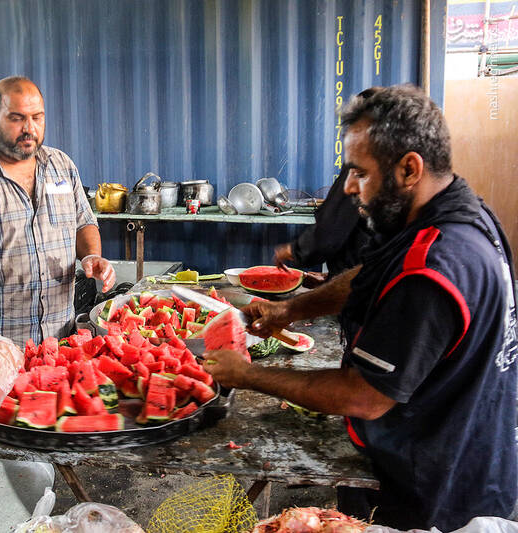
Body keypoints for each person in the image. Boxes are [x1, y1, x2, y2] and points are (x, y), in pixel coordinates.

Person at [204, 85, 517, 531]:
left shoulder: (436, 267)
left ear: (410, 168)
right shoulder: (460, 215)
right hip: (456, 449)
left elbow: (362, 396)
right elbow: (370, 275)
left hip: (440, 493)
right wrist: (289, 310)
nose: (349, 188)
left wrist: (246, 375)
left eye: (359, 173)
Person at [0, 76, 116, 345]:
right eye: (17, 118)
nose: (29, 128)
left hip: (61, 342)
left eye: (37, 118)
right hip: (1, 347)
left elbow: (82, 223)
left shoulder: (61, 166)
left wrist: (91, 255)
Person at [273, 165, 372, 282]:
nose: (349, 188)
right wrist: (331, 276)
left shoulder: (362, 159)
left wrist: (294, 250)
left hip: (359, 283)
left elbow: (330, 231)